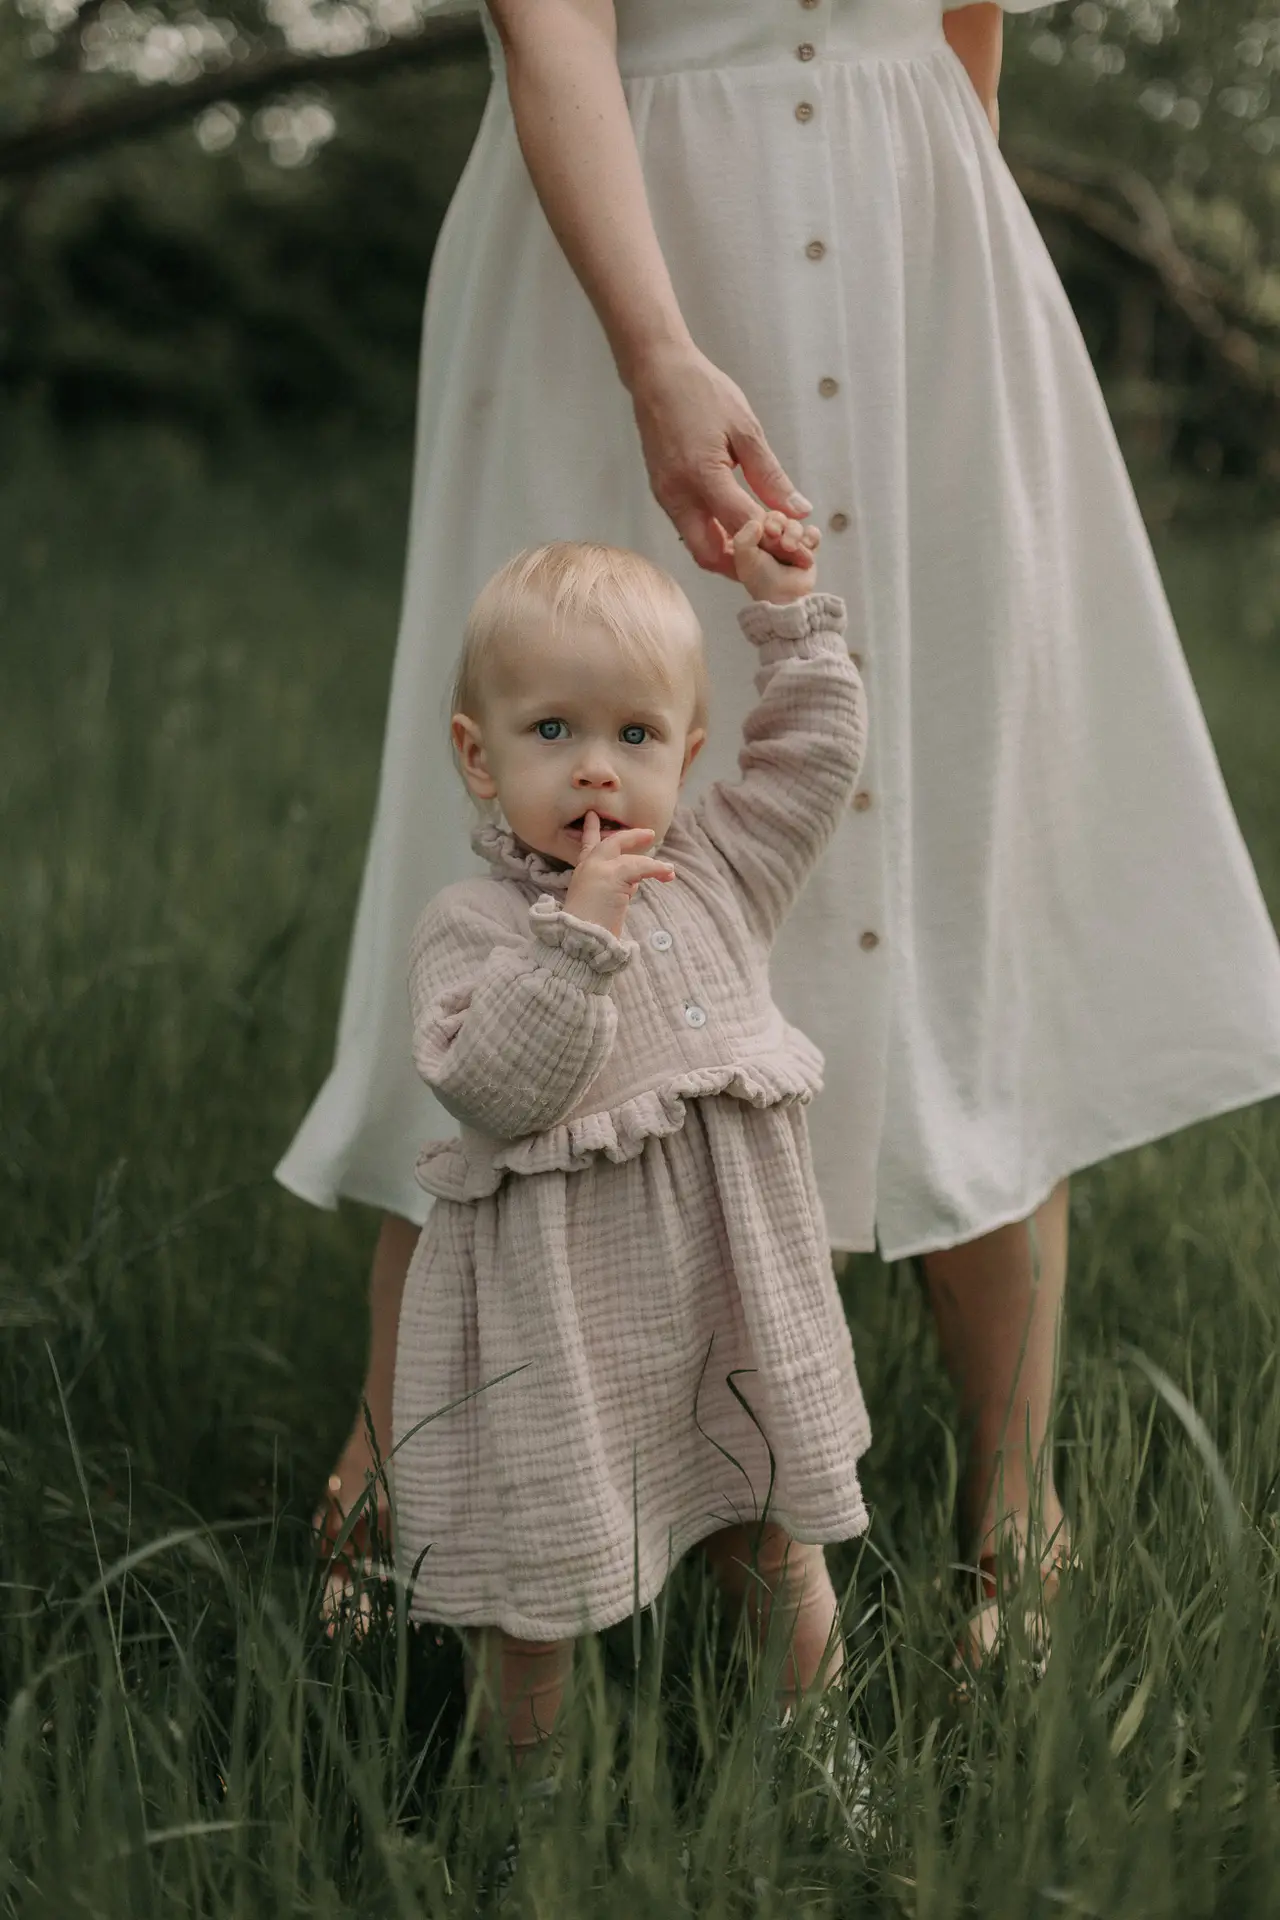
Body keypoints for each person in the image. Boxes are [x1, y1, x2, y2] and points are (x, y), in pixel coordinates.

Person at [276, 0, 1280, 1665]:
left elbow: (965, 27)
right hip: (628, 225)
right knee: (545, 824)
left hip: (925, 255)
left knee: (954, 851)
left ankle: (1014, 1502)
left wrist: (948, 264)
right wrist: (657, 347)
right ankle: (405, 1465)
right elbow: (553, 27)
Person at [391, 514, 870, 1759]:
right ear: (479, 755)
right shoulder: (476, 926)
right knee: (534, 1596)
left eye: (634, 737)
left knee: (773, 1540)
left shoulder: (717, 870)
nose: (596, 770)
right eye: (553, 732)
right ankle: (531, 1816)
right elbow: (497, 1087)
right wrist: (580, 936)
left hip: (724, 1310)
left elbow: (814, 761)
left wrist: (788, 613)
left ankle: (816, 1757)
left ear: (685, 755)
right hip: (564, 1338)